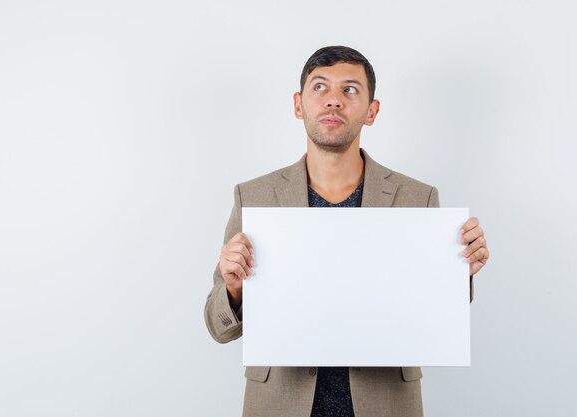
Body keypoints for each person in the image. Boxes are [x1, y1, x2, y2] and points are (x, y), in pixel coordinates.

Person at [204, 45, 489, 417]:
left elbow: (432, 316)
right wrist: (234, 288)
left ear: (372, 111)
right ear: (298, 104)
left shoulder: (417, 197)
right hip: (280, 403)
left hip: (384, 402)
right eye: (320, 87)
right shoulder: (254, 196)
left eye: (350, 90)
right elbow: (218, 327)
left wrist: (457, 272)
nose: (334, 101)